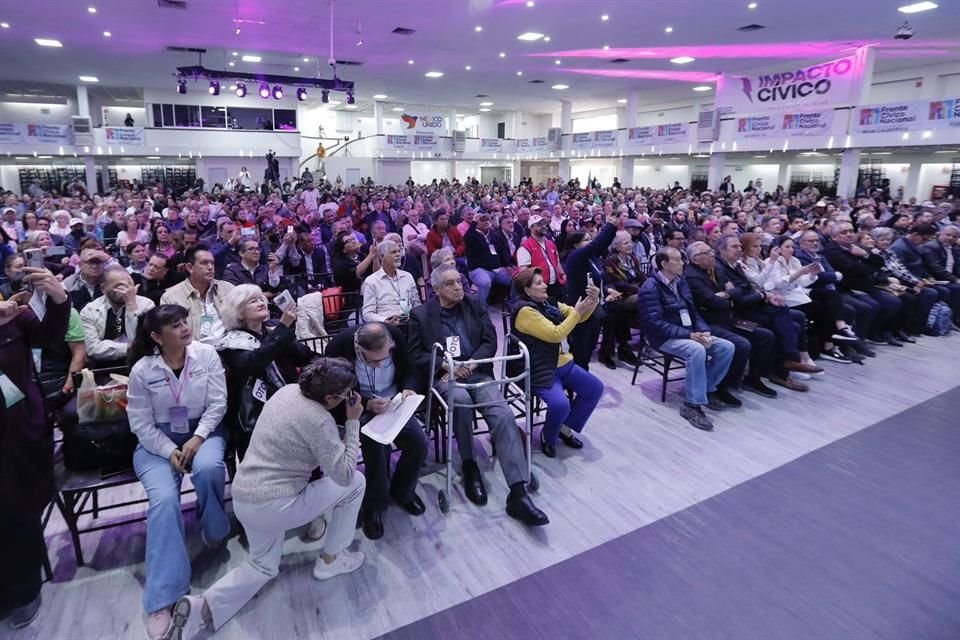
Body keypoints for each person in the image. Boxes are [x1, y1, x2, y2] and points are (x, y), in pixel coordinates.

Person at [166, 359, 366, 640]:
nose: (349, 398)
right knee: (357, 482)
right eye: (346, 394)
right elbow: (344, 475)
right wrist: (353, 421)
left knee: (263, 566)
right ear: (331, 397)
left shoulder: (287, 392)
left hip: (245, 496)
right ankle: (331, 560)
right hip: (277, 504)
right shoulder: (320, 420)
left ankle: (201, 608)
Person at [408, 265, 547, 526]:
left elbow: (489, 341)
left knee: (503, 413)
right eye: (450, 284)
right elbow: (417, 355)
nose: (458, 287)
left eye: (459, 282)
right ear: (436, 289)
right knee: (459, 402)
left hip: (476, 371)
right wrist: (449, 366)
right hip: (446, 376)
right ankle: (469, 465)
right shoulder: (421, 315)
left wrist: (470, 364)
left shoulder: (474, 304)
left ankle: (518, 493)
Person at [125, 305, 229, 640]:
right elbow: (139, 422)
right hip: (157, 442)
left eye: (185, 321)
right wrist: (169, 450)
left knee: (210, 467)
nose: (185, 328)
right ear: (156, 336)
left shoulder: (207, 355)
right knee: (165, 500)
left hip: (204, 431)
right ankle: (163, 598)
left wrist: (198, 438)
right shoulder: (143, 369)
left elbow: (218, 403)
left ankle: (214, 526)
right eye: (174, 325)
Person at [0, 267, 71, 630]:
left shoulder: (12, 309)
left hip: (19, 428)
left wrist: (58, 297)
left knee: (18, 508)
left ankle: (23, 592)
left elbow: (50, 337)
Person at [324, 322, 428, 539]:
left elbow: (410, 369)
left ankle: (403, 491)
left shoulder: (395, 335)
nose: (380, 364)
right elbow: (334, 392)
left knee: (419, 442)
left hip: (394, 402)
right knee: (376, 445)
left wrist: (408, 387)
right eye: (374, 361)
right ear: (358, 348)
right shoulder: (338, 347)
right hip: (360, 406)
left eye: (385, 357)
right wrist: (369, 403)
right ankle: (375, 505)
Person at [637, 247, 735, 431]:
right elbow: (655, 323)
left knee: (726, 347)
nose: (683, 263)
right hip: (663, 337)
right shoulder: (650, 288)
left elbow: (693, 311)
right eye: (678, 260)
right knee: (696, 350)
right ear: (664, 264)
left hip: (688, 332)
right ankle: (692, 404)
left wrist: (703, 330)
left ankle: (706, 387)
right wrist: (689, 335)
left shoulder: (680, 282)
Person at [512, 268, 604, 458]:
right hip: (541, 368)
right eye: (538, 283)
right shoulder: (525, 311)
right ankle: (549, 436)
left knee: (594, 388)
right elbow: (556, 334)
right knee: (561, 405)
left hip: (564, 364)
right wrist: (577, 312)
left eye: (543, 281)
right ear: (527, 290)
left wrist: (591, 302)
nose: (545, 284)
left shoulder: (548, 303)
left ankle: (564, 427)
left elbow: (578, 317)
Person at [215, 285, 314, 461]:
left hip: (291, 403)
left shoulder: (273, 329)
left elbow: (302, 357)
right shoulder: (231, 341)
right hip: (255, 414)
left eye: (262, 298)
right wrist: (282, 329)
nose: (261, 302)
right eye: (253, 301)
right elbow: (254, 363)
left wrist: (283, 332)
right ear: (238, 311)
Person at [683, 242, 777, 401]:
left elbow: (738, 290)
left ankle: (753, 379)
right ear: (695, 259)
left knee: (765, 336)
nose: (712, 254)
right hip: (708, 323)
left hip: (728, 318)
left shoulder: (717, 269)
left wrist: (726, 295)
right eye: (707, 253)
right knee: (741, 344)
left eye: (711, 251)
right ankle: (722, 386)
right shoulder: (691, 275)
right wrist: (728, 296)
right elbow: (712, 301)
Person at [823, 221, 902, 346]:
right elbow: (854, 270)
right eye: (844, 232)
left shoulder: (856, 247)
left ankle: (875, 333)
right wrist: (867, 265)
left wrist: (864, 255)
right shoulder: (832, 251)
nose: (849, 235)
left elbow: (880, 262)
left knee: (893, 302)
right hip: (847, 288)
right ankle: (859, 341)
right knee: (870, 306)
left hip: (866, 285)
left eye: (851, 231)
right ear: (834, 237)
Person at [80, 265, 155, 369]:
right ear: (103, 288)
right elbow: (93, 349)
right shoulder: (89, 310)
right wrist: (129, 347)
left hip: (141, 365)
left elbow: (144, 342)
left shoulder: (146, 305)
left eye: (129, 285)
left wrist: (131, 305)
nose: (126, 290)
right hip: (104, 368)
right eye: (119, 286)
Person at [160, 245, 235, 345]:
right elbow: (170, 336)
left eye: (212, 263)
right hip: (194, 352)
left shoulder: (228, 288)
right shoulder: (171, 298)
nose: (210, 267)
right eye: (204, 263)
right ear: (190, 268)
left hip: (230, 348)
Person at [361, 240, 420, 324]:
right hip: (385, 326)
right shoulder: (372, 281)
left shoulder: (407, 276)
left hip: (409, 322)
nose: (398, 255)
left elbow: (416, 303)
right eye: (393, 252)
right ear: (381, 257)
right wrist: (385, 320)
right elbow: (367, 314)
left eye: (399, 251)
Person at [464, 212, 514, 303]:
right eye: (482, 220)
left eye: (487, 219)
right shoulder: (472, 235)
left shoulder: (493, 234)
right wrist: (474, 222)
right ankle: (481, 310)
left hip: (497, 269)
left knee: (517, 279)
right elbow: (467, 238)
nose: (486, 222)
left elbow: (501, 251)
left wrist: (507, 265)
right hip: (479, 269)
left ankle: (514, 304)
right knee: (485, 283)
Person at [517, 213, 566, 299]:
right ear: (531, 228)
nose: (544, 226)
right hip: (539, 288)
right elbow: (524, 273)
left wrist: (563, 274)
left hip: (555, 285)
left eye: (544, 223)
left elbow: (557, 262)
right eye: (539, 224)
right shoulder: (525, 247)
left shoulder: (551, 244)